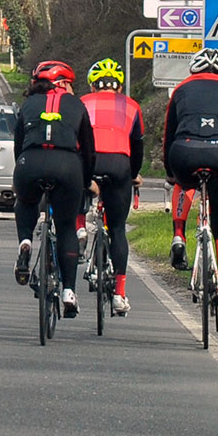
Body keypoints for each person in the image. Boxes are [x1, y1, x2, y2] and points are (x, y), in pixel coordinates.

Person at [162, 49, 218, 328]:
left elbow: (169, 132)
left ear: (194, 70)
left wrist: (170, 171)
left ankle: (179, 235)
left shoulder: (181, 89)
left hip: (184, 151)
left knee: (183, 182)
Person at [12, 60, 96, 318]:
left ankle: (25, 241)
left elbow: (18, 145)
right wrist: (86, 181)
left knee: (25, 202)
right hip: (67, 165)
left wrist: (23, 172)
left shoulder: (28, 105)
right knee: (67, 225)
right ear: (63, 84)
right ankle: (69, 290)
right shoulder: (77, 105)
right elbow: (89, 150)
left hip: (30, 162)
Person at [80, 56, 143, 316]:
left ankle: (80, 229)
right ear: (119, 87)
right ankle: (119, 293)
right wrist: (134, 174)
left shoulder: (82, 103)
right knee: (117, 228)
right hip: (119, 164)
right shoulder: (132, 106)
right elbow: (137, 146)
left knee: (78, 197)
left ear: (93, 86)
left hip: (90, 162)